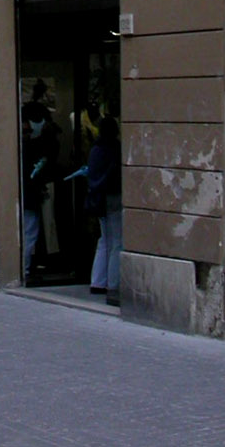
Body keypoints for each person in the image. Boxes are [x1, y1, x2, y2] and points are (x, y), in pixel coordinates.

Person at [85, 114, 122, 305]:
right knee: (117, 241)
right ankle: (113, 284)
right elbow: (114, 172)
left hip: (99, 198)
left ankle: (98, 282)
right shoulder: (113, 148)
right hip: (113, 197)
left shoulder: (95, 148)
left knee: (105, 240)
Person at [20, 100, 56, 282]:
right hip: (30, 198)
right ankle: (25, 269)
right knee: (30, 234)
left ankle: (25, 267)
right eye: (26, 131)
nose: (29, 133)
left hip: (26, 197)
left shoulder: (22, 149)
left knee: (28, 233)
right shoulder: (28, 149)